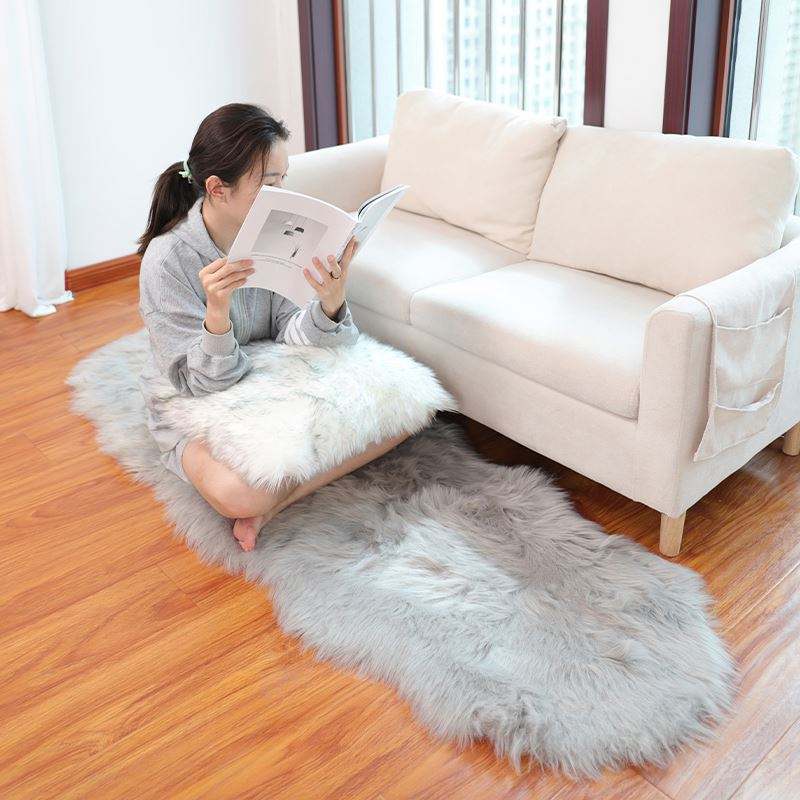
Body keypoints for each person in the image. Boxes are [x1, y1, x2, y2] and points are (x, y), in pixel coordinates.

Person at [136, 102, 411, 552]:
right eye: (268, 184)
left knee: (404, 409)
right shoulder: (168, 261)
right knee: (238, 494)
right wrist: (217, 316)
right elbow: (200, 385)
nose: (282, 194)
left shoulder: (281, 234)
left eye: (284, 179)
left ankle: (275, 505)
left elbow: (291, 334)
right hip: (196, 397)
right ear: (217, 189)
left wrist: (329, 303)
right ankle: (261, 503)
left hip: (271, 378)